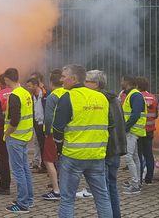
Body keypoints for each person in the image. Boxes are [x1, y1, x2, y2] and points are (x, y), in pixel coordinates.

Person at [52, 64, 112, 218]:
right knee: (102, 197)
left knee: (67, 200)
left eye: (64, 77)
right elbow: (110, 125)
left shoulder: (68, 97)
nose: (61, 80)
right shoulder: (101, 97)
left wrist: (59, 148)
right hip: (97, 156)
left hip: (73, 156)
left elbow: (57, 129)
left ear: (73, 79)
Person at [86, 70, 127, 218]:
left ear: (96, 84)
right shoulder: (115, 99)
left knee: (103, 191)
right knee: (112, 186)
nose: (84, 84)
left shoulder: (97, 100)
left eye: (87, 81)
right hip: (116, 149)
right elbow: (121, 124)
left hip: (104, 150)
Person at [3, 67, 34, 214]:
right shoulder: (26, 93)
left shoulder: (14, 95)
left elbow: (14, 120)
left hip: (15, 138)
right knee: (25, 169)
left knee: (18, 171)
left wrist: (7, 134)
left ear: (7, 79)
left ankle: (22, 204)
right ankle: (28, 199)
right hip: (25, 137)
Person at [41, 68, 65, 201]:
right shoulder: (68, 93)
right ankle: (64, 186)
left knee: (48, 160)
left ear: (51, 83)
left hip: (52, 132)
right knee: (63, 160)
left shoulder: (53, 96)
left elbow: (49, 117)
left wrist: (46, 132)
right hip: (67, 132)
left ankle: (56, 190)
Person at [121, 75, 147, 194]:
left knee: (128, 156)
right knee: (135, 157)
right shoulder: (133, 95)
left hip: (132, 131)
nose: (121, 83)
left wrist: (125, 128)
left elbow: (135, 115)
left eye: (122, 80)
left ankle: (135, 184)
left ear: (127, 82)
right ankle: (136, 183)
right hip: (133, 131)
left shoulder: (135, 95)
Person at [137, 76, 158, 185]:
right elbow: (156, 115)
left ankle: (138, 178)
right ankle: (149, 178)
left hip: (139, 130)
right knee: (149, 154)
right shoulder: (153, 97)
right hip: (150, 130)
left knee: (138, 155)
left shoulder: (136, 97)